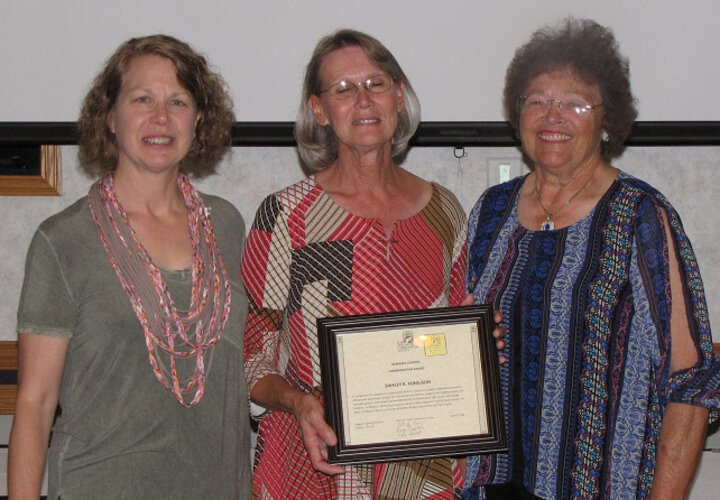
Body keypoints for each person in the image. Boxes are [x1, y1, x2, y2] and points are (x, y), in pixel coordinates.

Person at [465, 18, 720, 499]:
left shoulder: (641, 215)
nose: (552, 116)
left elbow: (690, 383)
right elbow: (460, 329)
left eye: (575, 103)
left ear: (606, 122)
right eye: (537, 100)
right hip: (492, 483)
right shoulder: (491, 210)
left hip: (603, 487)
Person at [242, 29, 503, 499]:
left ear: (398, 96)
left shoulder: (446, 212)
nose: (363, 100)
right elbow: (252, 358)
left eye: (376, 83)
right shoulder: (285, 217)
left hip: (421, 475)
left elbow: (448, 336)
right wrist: (298, 403)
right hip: (316, 468)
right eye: (343, 89)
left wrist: (478, 344)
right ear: (319, 110)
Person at [8, 35, 251, 499]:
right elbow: (36, 405)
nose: (160, 117)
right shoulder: (64, 241)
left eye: (177, 101)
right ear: (110, 117)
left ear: (198, 121)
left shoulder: (225, 225)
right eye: (142, 99)